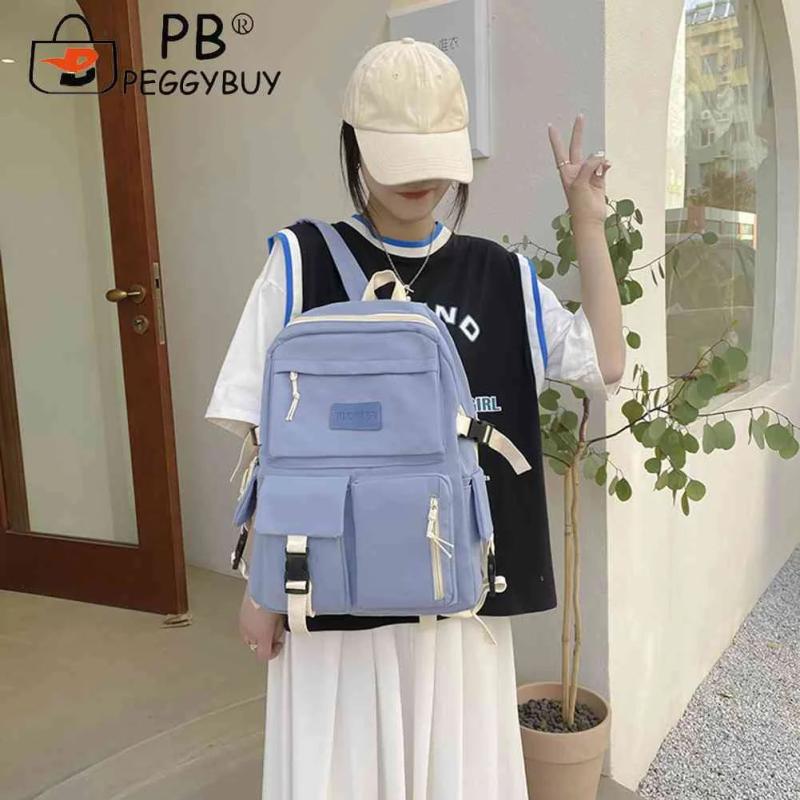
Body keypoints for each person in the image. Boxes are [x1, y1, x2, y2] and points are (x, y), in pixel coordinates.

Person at [204, 37, 625, 800]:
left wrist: (588, 225)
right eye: (398, 155)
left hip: (458, 600)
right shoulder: (300, 261)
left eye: (433, 156)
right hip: (334, 590)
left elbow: (606, 361)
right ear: (355, 147)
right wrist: (261, 587)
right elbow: (266, 440)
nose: (421, 180)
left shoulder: (500, 275)